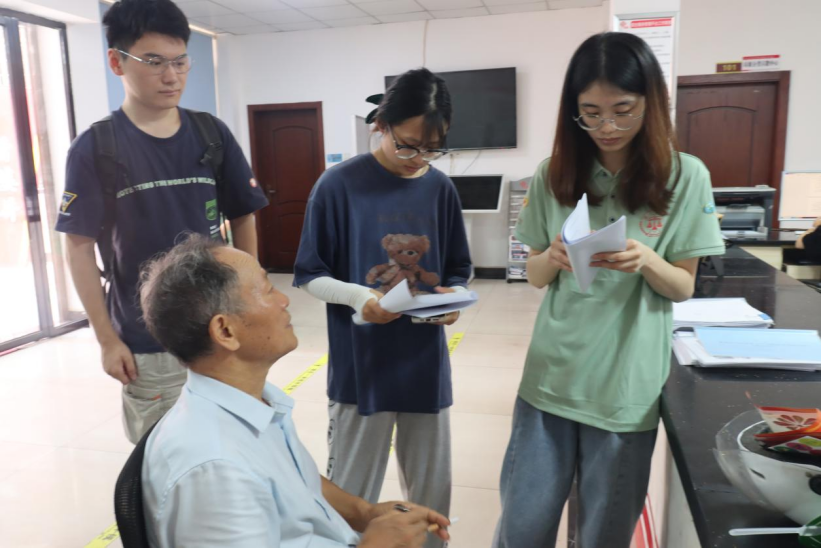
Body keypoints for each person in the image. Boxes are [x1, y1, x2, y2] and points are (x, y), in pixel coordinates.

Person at [493, 32, 726, 548]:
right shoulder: (553, 174)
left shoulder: (685, 176)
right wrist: (552, 257)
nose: (607, 127)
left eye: (623, 110)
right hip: (551, 379)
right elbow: (534, 276)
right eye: (591, 113)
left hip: (625, 389)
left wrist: (647, 260)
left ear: (651, 103)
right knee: (522, 530)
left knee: (603, 534)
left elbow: (683, 286)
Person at [138, 235, 451, 548]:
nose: (284, 300)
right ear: (225, 330)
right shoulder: (215, 469)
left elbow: (295, 479)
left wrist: (364, 512)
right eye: (267, 289)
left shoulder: (252, 401)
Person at [55, 0, 268, 443]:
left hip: (220, 330)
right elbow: (77, 247)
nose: (172, 76)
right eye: (154, 62)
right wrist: (107, 340)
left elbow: (243, 215)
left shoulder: (211, 134)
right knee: (162, 457)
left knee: (233, 448)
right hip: (146, 341)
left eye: (180, 61)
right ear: (117, 62)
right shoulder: (96, 147)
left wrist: (249, 298)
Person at [293, 68, 473, 548]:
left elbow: (458, 269)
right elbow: (310, 274)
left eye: (432, 149)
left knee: (431, 504)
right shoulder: (338, 185)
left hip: (424, 368)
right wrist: (360, 297)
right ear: (381, 125)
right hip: (361, 370)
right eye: (408, 146)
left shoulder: (440, 189)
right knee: (350, 503)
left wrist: (452, 299)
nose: (419, 160)